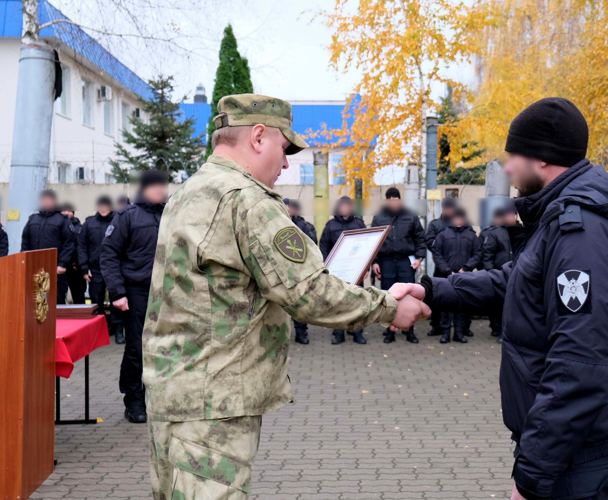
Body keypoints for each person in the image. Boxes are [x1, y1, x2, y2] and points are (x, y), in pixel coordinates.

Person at [141, 94, 429, 500]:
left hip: (177, 392)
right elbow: (309, 293)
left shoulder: (190, 192)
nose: (287, 163)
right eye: (284, 148)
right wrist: (390, 307)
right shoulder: (247, 200)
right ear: (258, 137)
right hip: (214, 404)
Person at [416, 97, 608, 500]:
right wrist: (433, 290)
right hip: (564, 448)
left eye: (513, 156)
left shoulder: (582, 234)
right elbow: (518, 280)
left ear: (542, 158)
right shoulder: (560, 218)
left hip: (572, 456)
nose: (507, 168)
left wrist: (532, 476)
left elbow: (580, 366)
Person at [101, 169, 169, 424]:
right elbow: (109, 255)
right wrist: (118, 293)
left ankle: (159, 397)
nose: (160, 191)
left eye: (163, 186)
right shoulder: (127, 216)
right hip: (136, 292)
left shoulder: (170, 215)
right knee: (137, 349)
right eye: (155, 186)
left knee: (166, 346)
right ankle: (134, 400)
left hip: (167, 292)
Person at [371, 187, 427, 344]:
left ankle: (409, 331)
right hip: (387, 262)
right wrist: (375, 262)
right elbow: (374, 244)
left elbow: (420, 239)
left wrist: (419, 258)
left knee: (409, 296)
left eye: (397, 201)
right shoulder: (379, 218)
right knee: (389, 296)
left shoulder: (410, 216)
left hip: (405, 262)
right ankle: (390, 331)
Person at [319, 196, 368, 345]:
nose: (345, 208)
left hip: (356, 270)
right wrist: (327, 267)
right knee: (338, 302)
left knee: (357, 301)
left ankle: (357, 332)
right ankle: (338, 333)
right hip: (337, 272)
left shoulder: (359, 224)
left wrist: (367, 267)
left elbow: (368, 247)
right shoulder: (330, 226)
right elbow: (324, 247)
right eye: (342, 206)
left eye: (348, 206)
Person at [431, 207, 481, 344]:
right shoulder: (443, 234)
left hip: (464, 276)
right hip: (447, 276)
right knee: (446, 305)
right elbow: (437, 254)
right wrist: (447, 270)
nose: (458, 221)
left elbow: (478, 254)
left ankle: (459, 333)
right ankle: (445, 333)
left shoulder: (471, 235)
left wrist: (466, 268)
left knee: (461, 305)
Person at [78, 196, 123, 342]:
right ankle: (101, 330)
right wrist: (84, 268)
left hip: (114, 269)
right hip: (95, 270)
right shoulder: (89, 223)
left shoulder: (119, 220)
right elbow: (82, 246)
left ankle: (118, 330)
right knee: (96, 301)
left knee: (117, 299)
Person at [21, 190, 75, 304]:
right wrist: (24, 261)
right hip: (35, 268)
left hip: (55, 270)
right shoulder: (32, 219)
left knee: (55, 301)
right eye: (44, 199)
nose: (46, 202)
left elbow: (69, 243)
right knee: (34, 302)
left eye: (49, 199)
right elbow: (25, 241)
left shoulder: (62, 220)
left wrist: (62, 264)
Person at [480, 203, 518, 342]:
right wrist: (491, 272)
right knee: (501, 305)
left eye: (511, 214)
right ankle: (501, 331)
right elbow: (488, 254)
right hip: (500, 274)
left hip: (519, 274)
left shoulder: (522, 231)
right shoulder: (495, 233)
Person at [284, 198, 317, 344]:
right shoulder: (275, 223)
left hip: (299, 271)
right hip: (280, 271)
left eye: (288, 207)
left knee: (299, 302)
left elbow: (312, 246)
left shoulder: (303, 225)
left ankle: (301, 332)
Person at [425, 197, 458, 337]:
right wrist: (441, 251)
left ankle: (460, 328)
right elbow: (429, 241)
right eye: (447, 208)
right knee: (437, 297)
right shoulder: (435, 224)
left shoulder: (461, 222)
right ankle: (437, 325)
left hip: (458, 267)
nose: (449, 211)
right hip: (440, 267)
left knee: (458, 297)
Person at [60, 203, 87, 304]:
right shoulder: (58, 227)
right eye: (64, 210)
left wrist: (78, 264)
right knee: (59, 296)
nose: (66, 213)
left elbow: (81, 247)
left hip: (75, 268)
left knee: (78, 296)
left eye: (69, 210)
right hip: (60, 267)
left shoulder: (80, 228)